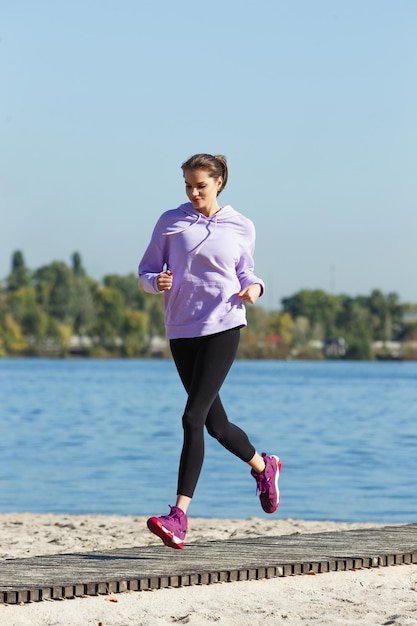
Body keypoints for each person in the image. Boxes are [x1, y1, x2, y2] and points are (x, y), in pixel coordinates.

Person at [138, 153, 282, 549]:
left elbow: (246, 271)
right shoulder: (170, 222)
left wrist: (255, 287)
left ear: (218, 182)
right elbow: (145, 272)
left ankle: (179, 515)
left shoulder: (240, 225)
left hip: (224, 324)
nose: (194, 191)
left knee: (192, 417)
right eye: (188, 185)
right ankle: (263, 465)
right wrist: (157, 282)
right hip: (181, 329)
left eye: (200, 184)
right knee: (216, 426)